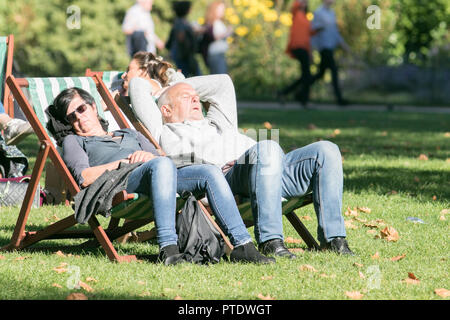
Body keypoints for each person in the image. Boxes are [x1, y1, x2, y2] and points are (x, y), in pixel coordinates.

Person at [128, 73, 354, 258]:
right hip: (232, 177)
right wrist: (162, 89)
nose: (196, 99)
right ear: (166, 110)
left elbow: (223, 83)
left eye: (197, 96)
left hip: (272, 170)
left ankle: (334, 239)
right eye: (186, 97)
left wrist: (178, 86)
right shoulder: (163, 129)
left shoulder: (219, 121)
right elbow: (137, 86)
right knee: (267, 147)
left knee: (327, 150)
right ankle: (270, 240)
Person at [45, 87, 275, 265]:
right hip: (121, 182)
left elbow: (158, 157)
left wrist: (148, 156)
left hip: (156, 173)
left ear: (93, 107)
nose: (78, 118)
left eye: (81, 109)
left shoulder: (129, 133)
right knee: (162, 165)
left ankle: (243, 245)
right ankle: (168, 248)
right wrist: (124, 162)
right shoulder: (74, 141)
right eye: (71, 117)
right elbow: (84, 177)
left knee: (209, 172)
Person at [310, 0, 351, 106]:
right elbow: (313, 31)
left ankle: (300, 92)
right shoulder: (318, 13)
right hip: (324, 47)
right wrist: (313, 48)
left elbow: (335, 32)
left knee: (320, 74)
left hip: (330, 47)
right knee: (334, 70)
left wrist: (343, 44)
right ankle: (339, 99)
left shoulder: (332, 13)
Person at [278, 0, 317, 108]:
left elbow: (308, 35)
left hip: (304, 48)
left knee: (306, 76)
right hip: (297, 46)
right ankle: (304, 100)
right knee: (307, 75)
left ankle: (284, 93)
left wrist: (310, 52)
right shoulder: (296, 13)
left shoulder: (305, 17)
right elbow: (295, 5)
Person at [166, 1, 201, 78]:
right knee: (188, 75)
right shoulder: (181, 23)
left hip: (182, 54)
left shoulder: (179, 22)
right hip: (183, 55)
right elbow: (181, 37)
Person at [203, 1, 233, 74]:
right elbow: (213, 37)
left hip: (219, 54)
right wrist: (227, 32)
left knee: (221, 75)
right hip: (216, 54)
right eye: (220, 9)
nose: (222, 11)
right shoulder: (212, 22)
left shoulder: (218, 21)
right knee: (220, 76)